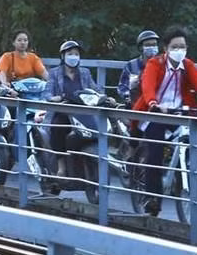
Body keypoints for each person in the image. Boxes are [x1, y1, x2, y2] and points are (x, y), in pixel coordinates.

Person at [134, 26, 197, 216]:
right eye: (175, 46)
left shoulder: (187, 65)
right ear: (166, 48)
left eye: (182, 46)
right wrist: (154, 103)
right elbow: (147, 85)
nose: (179, 50)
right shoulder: (155, 64)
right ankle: (151, 198)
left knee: (191, 143)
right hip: (156, 113)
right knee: (154, 153)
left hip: (180, 113)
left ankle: (186, 178)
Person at [46, 40, 105, 176]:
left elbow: (96, 89)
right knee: (57, 128)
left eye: (76, 54)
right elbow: (47, 92)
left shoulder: (85, 72)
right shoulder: (55, 73)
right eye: (70, 54)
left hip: (83, 112)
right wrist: (53, 98)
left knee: (99, 129)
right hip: (63, 111)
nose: (74, 57)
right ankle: (61, 165)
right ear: (63, 56)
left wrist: (105, 98)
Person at [117, 30, 159, 106]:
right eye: (148, 45)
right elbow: (123, 86)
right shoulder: (131, 65)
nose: (152, 47)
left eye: (154, 45)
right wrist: (127, 97)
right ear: (141, 48)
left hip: (155, 104)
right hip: (135, 104)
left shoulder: (162, 65)